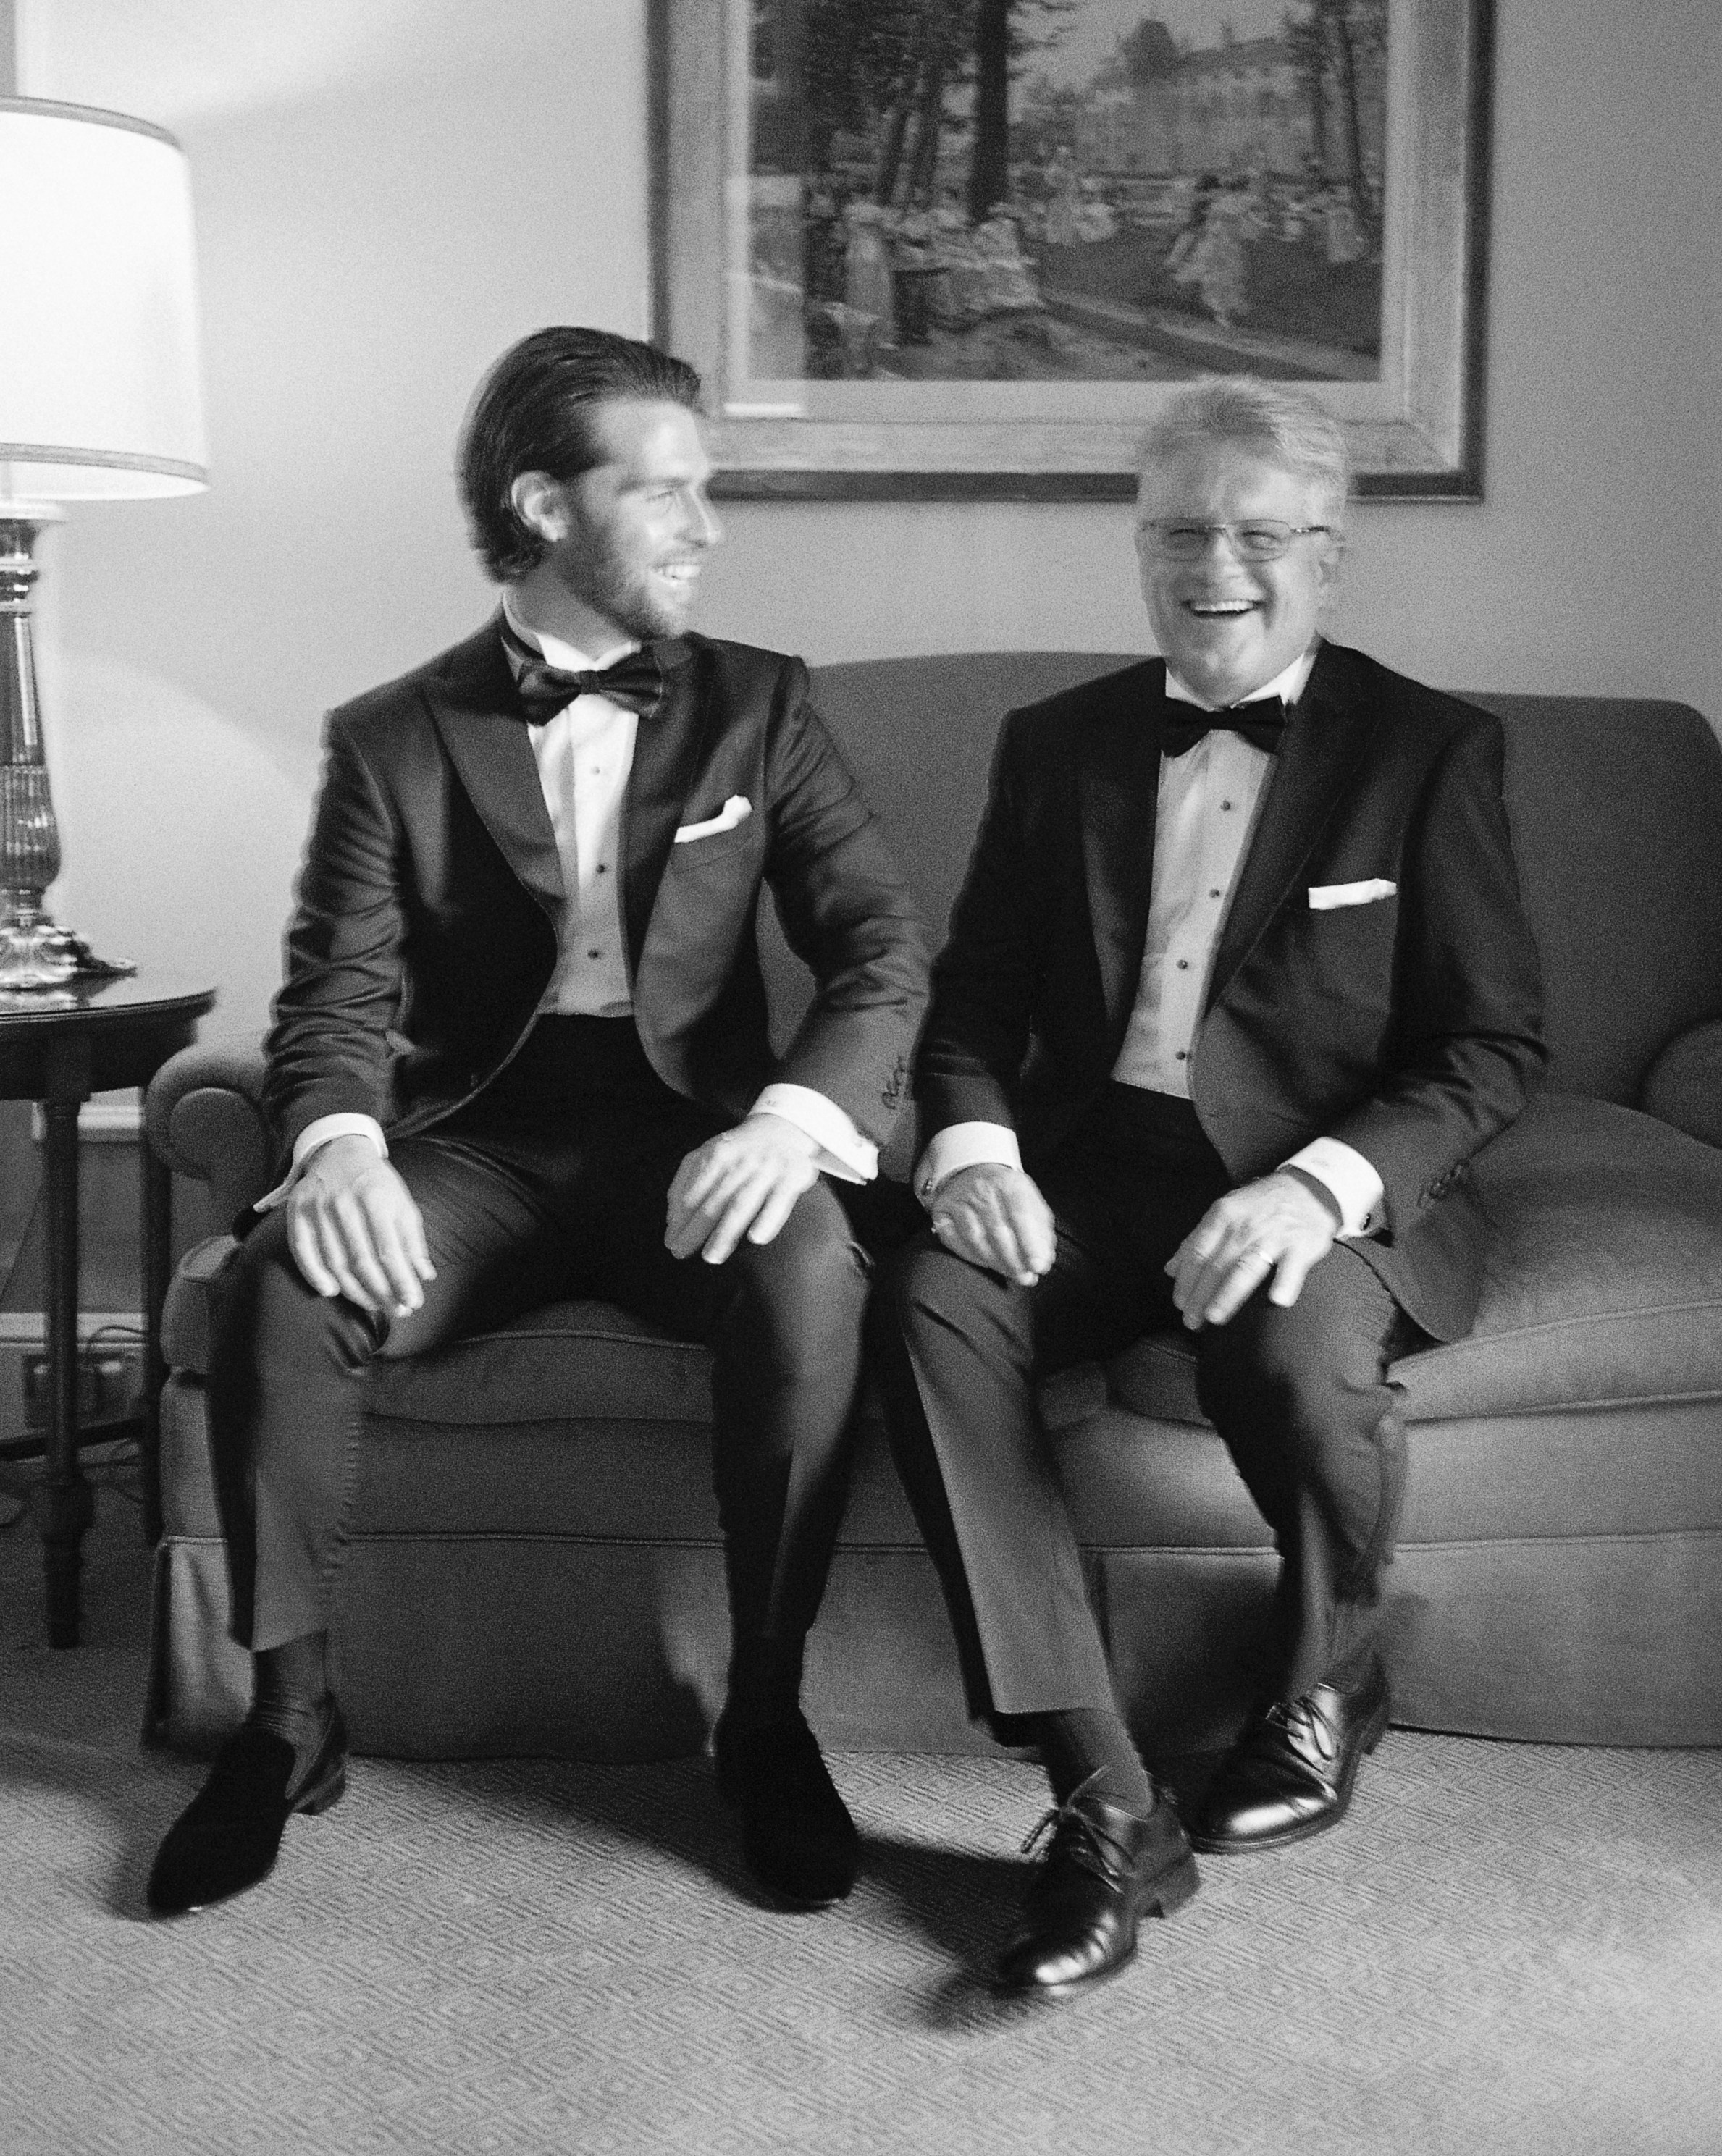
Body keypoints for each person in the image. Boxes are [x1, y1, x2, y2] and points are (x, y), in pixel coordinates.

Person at [148, 327, 928, 1919]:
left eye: (706, 490)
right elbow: (337, 994)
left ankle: (765, 1720)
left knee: (809, 1267)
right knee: (285, 1277)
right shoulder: (392, 734)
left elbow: (879, 949)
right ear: (545, 505)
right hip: (479, 1142)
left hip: (692, 1140)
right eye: (665, 493)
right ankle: (287, 1719)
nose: (707, 528)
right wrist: (340, 1147)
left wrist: (791, 1124)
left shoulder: (761, 704)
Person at [873, 374, 1545, 2001]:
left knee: (1287, 1351)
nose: (1213, 566)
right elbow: (970, 1005)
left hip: (1310, 1167)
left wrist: (1316, 1187)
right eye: (1178, 532)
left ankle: (1325, 1683)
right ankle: (1102, 1792)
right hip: (1093, 1160)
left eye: (1257, 534)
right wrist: (972, 1149)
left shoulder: (1427, 749)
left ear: (1328, 555)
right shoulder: (1055, 743)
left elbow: (1490, 1043)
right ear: (1138, 547)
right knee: (926, 1299)